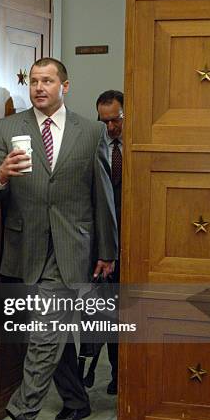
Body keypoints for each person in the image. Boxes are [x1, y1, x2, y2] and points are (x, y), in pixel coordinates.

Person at [0, 58, 118, 420]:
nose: (39, 87)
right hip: (25, 249)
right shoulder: (5, 129)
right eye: (34, 81)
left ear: (65, 86)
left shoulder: (91, 132)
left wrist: (108, 251)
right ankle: (76, 399)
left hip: (74, 247)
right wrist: (1, 174)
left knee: (44, 333)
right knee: (49, 334)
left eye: (48, 81)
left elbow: (102, 195)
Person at [81, 89, 123, 395]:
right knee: (97, 310)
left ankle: (120, 375)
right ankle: (89, 368)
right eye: (103, 120)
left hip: (133, 242)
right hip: (99, 244)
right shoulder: (93, 145)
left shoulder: (137, 147)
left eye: (115, 120)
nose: (110, 127)